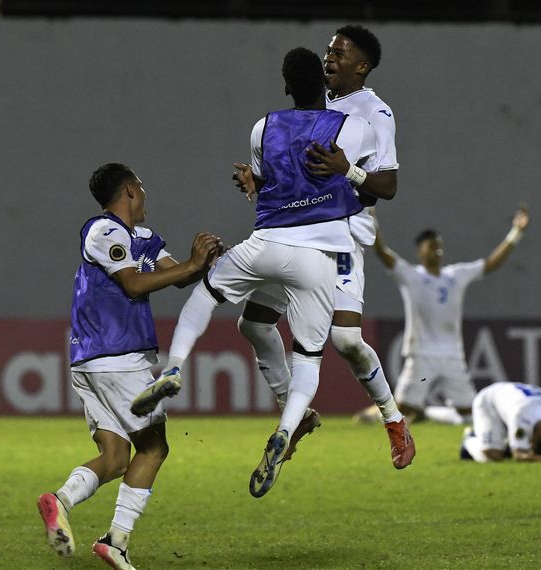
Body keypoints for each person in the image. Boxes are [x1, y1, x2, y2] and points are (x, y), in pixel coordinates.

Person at [132, 47, 388, 498]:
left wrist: (257, 183)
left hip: (266, 245)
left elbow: (276, 179)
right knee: (307, 356)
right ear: (326, 87)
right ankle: (287, 429)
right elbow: (374, 184)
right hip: (317, 258)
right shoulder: (357, 127)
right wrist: (347, 172)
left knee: (206, 295)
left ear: (286, 86)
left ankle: (173, 368)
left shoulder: (262, 127)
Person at [232, 24, 415, 470]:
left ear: (362, 66)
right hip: (297, 233)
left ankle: (393, 421)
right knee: (253, 325)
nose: (329, 57)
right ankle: (296, 415)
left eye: (340, 52)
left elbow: (386, 186)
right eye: (328, 50)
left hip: (341, 235)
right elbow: (294, 172)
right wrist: (260, 180)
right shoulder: (316, 104)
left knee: (347, 340)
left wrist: (347, 170)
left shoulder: (376, 113)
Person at [37, 163, 221, 569]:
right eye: (142, 185)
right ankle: (115, 541)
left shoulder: (143, 239)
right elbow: (134, 284)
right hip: (117, 355)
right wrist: (191, 266)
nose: (146, 193)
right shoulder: (102, 231)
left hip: (92, 361)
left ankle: (60, 500)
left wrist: (203, 261)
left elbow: (174, 275)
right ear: (130, 191)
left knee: (117, 456)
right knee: (154, 447)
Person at [366, 207, 530, 424]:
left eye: (440, 246)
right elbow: (383, 252)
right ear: (420, 251)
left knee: (472, 415)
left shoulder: (456, 276)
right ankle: (373, 415)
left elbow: (491, 264)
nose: (437, 250)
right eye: (432, 246)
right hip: (422, 355)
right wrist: (372, 219)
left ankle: (427, 414)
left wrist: (516, 232)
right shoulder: (412, 275)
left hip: (453, 356)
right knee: (400, 410)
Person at [460, 382, 541, 463]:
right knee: (493, 456)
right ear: (534, 445)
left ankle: (503, 444)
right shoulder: (521, 416)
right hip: (489, 400)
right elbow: (519, 455)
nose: (530, 446)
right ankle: (470, 440)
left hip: (516, 400)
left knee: (510, 448)